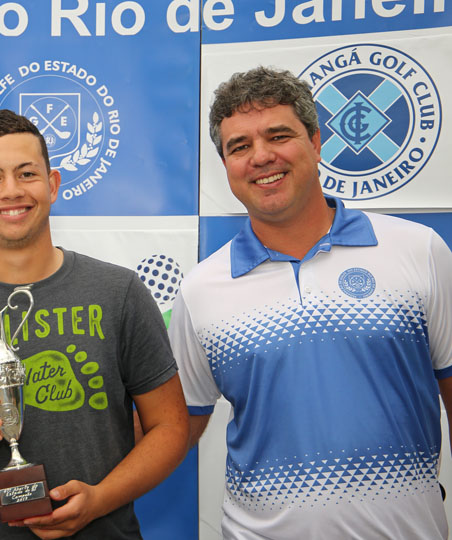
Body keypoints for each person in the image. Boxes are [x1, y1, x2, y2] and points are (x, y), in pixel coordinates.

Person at [169, 66, 452, 539]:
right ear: (226, 167)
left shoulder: (417, 250)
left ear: (317, 143)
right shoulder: (201, 289)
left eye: (278, 135)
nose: (260, 156)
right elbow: (173, 429)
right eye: (239, 146)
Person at [0, 109, 189, 539]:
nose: (11, 191)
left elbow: (171, 427)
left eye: (27, 173)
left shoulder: (119, 293)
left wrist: (99, 500)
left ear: (53, 184)